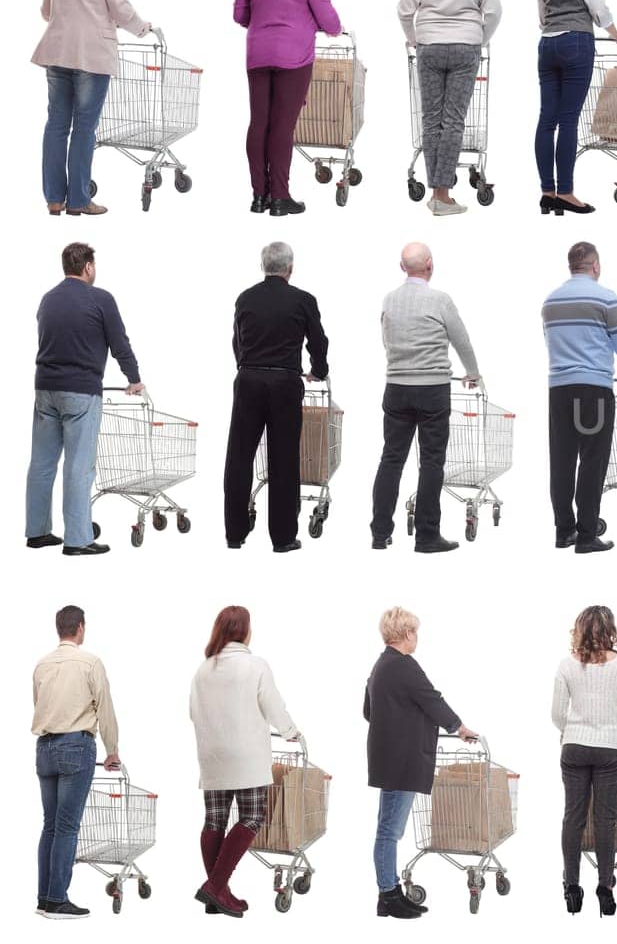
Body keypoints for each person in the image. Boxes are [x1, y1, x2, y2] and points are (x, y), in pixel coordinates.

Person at [33, 0, 152, 217]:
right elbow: (121, 11)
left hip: (57, 53)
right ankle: (79, 200)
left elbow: (47, 12)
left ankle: (54, 199)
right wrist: (143, 28)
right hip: (92, 57)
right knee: (85, 129)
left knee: (56, 125)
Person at [28, 243, 142, 556]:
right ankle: (77, 539)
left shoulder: (48, 299)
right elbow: (120, 344)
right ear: (88, 267)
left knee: (41, 463)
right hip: (80, 391)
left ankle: (37, 532)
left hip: (45, 388)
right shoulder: (100, 299)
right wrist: (134, 379)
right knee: (79, 467)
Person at [365, 607, 478, 919]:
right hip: (402, 759)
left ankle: (388, 895)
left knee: (388, 828)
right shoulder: (403, 665)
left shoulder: (380, 665)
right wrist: (459, 727)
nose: (417, 637)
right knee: (389, 830)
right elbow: (431, 699)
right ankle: (388, 894)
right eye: (415, 631)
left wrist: (398, 716)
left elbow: (368, 710)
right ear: (406, 633)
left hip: (388, 758)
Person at [188, 606, 301, 918]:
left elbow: (193, 712)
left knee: (214, 821)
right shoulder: (255, 665)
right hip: (246, 756)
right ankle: (215, 887)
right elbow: (273, 706)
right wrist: (290, 731)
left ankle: (216, 895)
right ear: (244, 631)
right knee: (252, 816)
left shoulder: (204, 668)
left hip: (211, 755)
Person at [371, 243, 481, 554]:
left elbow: (386, 339)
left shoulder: (389, 300)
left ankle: (380, 533)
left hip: (396, 387)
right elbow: (462, 340)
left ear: (401, 266)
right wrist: (472, 372)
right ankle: (426, 536)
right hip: (432, 388)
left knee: (391, 459)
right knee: (432, 462)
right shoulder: (440, 300)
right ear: (430, 264)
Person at [234, 0, 343, 217]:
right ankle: (280, 197)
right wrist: (330, 27)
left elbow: (240, 14)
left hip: (257, 54)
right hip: (294, 55)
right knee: (283, 126)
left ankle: (259, 196)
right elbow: (326, 14)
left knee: (259, 123)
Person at [222, 242, 329, 554]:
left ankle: (235, 532)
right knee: (283, 460)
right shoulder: (303, 300)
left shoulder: (245, 298)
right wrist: (318, 371)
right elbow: (318, 341)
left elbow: (237, 339)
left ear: (263, 266)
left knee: (239, 457)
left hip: (248, 379)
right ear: (290, 268)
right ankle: (282, 538)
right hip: (284, 382)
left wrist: (247, 365)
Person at [541, 241, 617, 554]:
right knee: (592, 460)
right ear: (595, 265)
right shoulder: (605, 298)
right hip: (594, 390)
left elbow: (550, 341)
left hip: (559, 389)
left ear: (571, 265)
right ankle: (587, 535)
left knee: (561, 460)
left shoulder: (550, 301)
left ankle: (563, 531)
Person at [397, 0, 501, 218]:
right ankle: (442, 196)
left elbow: (405, 10)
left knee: (431, 120)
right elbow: (494, 11)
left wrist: (414, 38)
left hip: (429, 45)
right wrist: (478, 40)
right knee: (454, 120)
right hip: (466, 46)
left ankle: (437, 193)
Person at [535, 0, 617, 216]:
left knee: (547, 120)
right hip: (576, 42)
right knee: (569, 119)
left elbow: (541, 13)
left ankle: (547, 192)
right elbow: (597, 6)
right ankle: (567, 193)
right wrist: (615, 32)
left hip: (547, 44)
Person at [552, 605, 617, 917]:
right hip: (611, 750)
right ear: (610, 631)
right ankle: (605, 888)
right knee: (605, 821)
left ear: (580, 630)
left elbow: (556, 714)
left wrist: (572, 730)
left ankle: (571, 888)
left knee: (572, 818)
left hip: (574, 747)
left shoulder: (566, 665)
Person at [33, 604, 120, 919]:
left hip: (44, 747)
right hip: (75, 746)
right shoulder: (89, 662)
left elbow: (38, 705)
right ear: (80, 627)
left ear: (60, 629)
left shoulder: (42, 665)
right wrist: (113, 749)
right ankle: (57, 900)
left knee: (51, 826)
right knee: (68, 827)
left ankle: (44, 898)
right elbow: (105, 708)